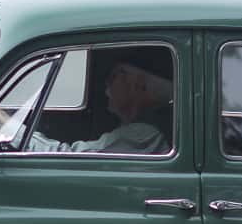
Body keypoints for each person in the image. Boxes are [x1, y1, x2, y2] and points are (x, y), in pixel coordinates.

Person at [23, 53, 173, 154]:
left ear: (138, 84)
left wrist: (13, 130)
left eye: (114, 76)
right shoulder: (144, 127)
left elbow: (71, 157)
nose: (106, 85)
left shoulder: (143, 133)